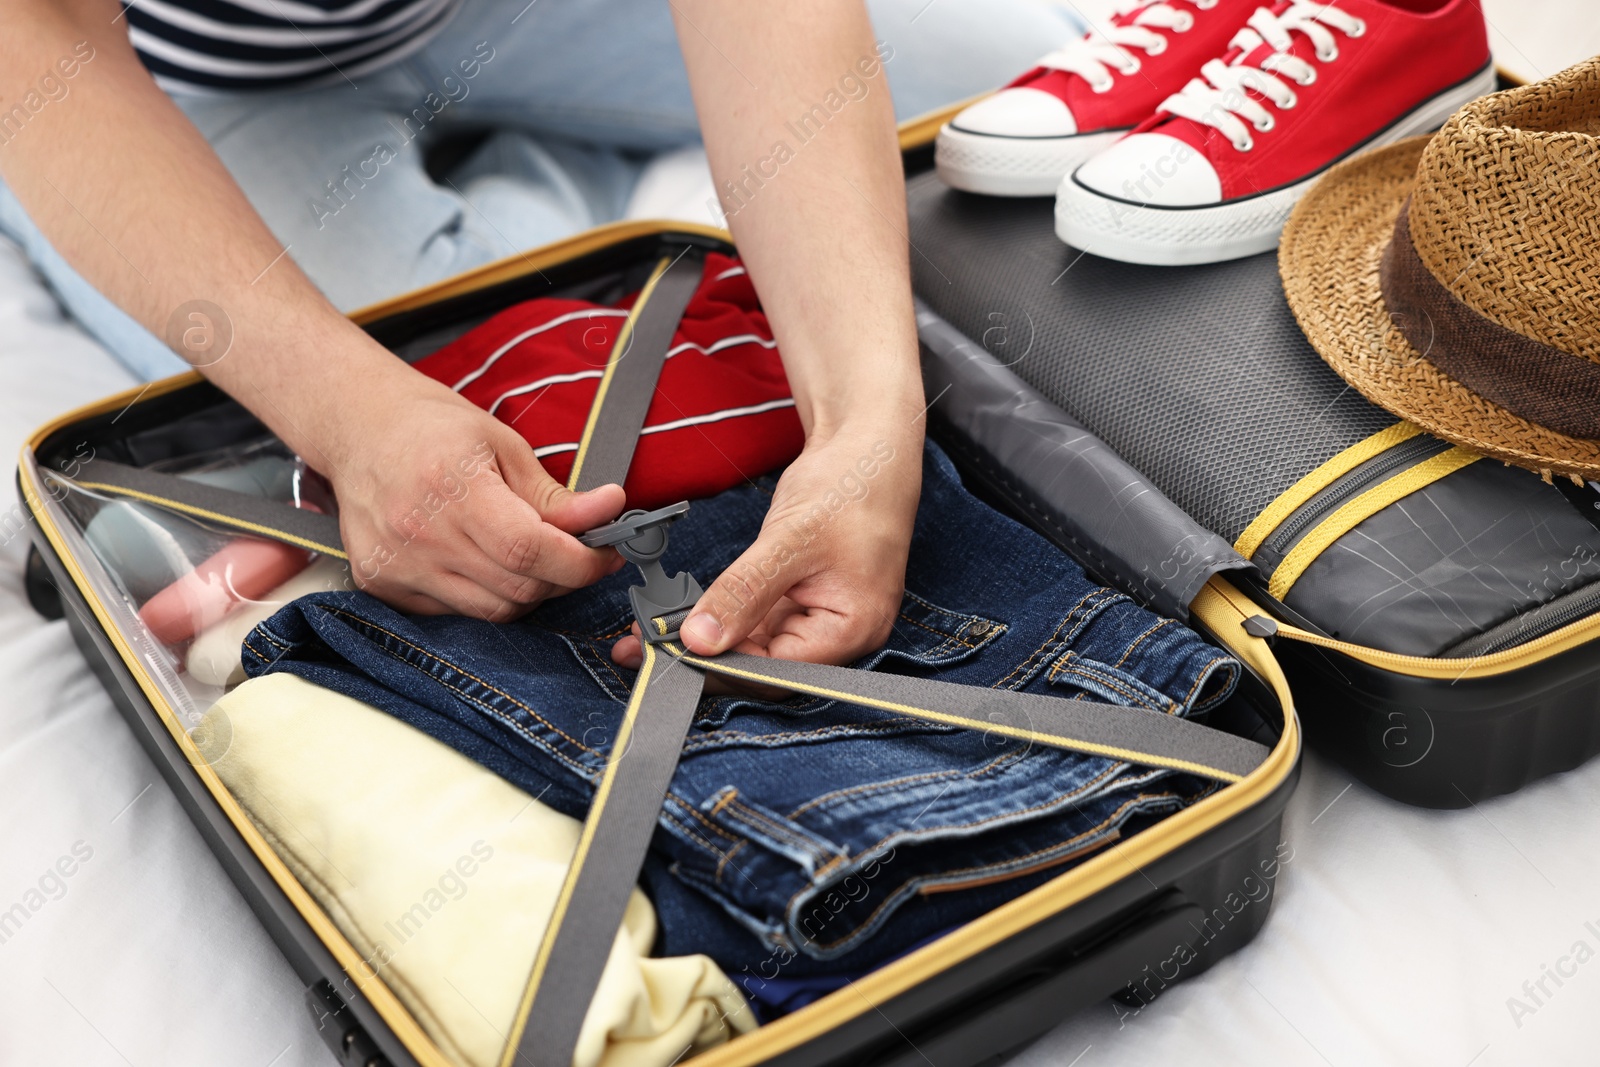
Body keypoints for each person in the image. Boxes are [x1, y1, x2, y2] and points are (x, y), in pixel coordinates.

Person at [0, 0, 1077, 668]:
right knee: (453, 398)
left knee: (1023, 89)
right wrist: (351, 411)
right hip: (171, 73)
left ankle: (518, 169)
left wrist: (867, 420)